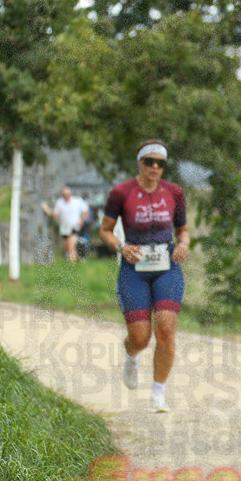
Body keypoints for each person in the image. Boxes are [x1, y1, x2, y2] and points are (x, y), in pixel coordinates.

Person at [98, 140, 190, 413]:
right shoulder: (121, 192)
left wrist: (184, 244)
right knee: (140, 337)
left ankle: (158, 395)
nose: (154, 167)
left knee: (166, 329)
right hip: (134, 267)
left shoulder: (174, 192)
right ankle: (131, 354)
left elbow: (182, 230)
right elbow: (105, 230)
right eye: (149, 161)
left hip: (167, 266)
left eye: (160, 163)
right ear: (139, 163)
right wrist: (121, 247)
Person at [43, 186, 90, 262]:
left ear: (70, 194)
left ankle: (72, 264)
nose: (66, 196)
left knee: (71, 248)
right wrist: (48, 210)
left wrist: (82, 220)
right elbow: (55, 215)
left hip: (74, 227)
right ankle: (75, 260)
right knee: (68, 248)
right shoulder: (59, 203)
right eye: (64, 195)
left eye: (67, 194)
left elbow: (85, 211)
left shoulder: (77, 201)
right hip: (64, 228)